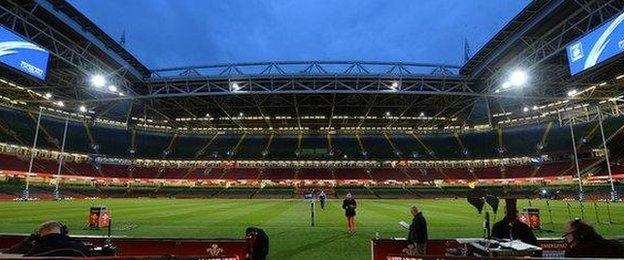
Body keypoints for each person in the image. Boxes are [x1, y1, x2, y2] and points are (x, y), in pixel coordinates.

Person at [4, 221, 89, 257]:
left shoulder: (35, 251)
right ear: (63, 232)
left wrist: (26, 242)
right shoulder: (78, 248)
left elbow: (8, 252)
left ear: (39, 235)